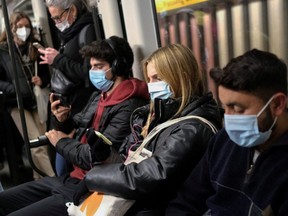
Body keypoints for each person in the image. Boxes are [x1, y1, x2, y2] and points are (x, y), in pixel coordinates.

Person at [0, 35, 150, 216]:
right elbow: (77, 126)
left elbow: (96, 157)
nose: (92, 71)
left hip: (89, 186)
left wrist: (61, 142)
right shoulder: (99, 96)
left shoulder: (129, 106)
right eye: (92, 66)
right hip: (71, 178)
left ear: (117, 67)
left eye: (99, 66)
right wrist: (62, 120)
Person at [72, 44, 223, 215]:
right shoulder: (154, 116)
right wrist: (107, 156)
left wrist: (94, 177)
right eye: (149, 79)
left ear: (181, 78)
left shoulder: (193, 127)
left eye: (157, 78)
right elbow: (131, 162)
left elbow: (152, 175)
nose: (151, 86)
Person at [166, 49, 288, 215]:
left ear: (277, 105)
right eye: (224, 107)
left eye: (237, 108)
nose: (228, 118)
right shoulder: (224, 141)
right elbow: (187, 200)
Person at [39, 0, 97, 175]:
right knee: (61, 164)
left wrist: (58, 60)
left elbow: (88, 73)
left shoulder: (88, 31)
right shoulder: (70, 34)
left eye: (58, 18)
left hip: (81, 108)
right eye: (54, 19)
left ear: (71, 10)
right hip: (67, 110)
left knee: (65, 166)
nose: (57, 23)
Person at [0, 11, 55, 180]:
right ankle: (54, 178)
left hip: (36, 100)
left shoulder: (35, 47)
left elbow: (47, 74)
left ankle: (38, 181)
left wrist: (42, 81)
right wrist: (14, 88)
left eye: (27, 26)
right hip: (16, 104)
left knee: (43, 143)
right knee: (34, 143)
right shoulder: (3, 50)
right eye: (20, 27)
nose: (24, 30)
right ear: (12, 28)